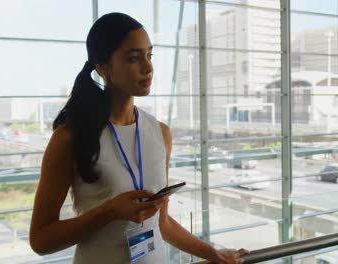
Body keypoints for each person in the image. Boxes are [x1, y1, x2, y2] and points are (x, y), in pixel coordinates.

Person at [29, 12, 249, 264]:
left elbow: (161, 223)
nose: (148, 67)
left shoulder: (159, 132)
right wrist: (110, 212)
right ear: (102, 68)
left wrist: (215, 254)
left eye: (149, 55)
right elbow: (41, 240)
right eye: (134, 58)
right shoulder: (70, 137)